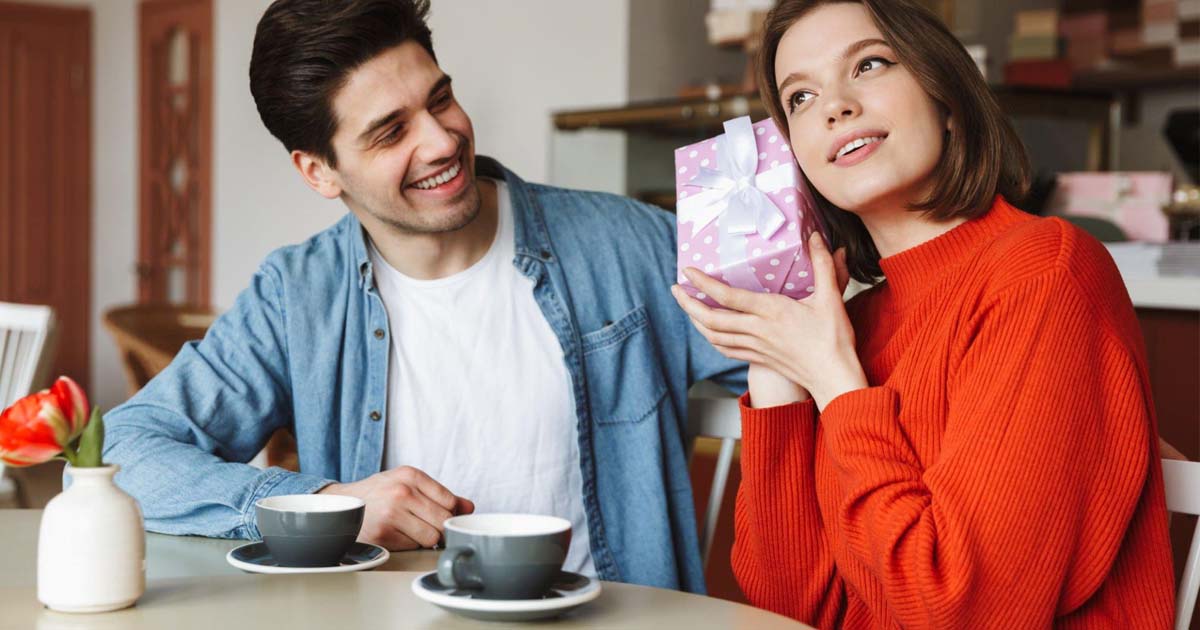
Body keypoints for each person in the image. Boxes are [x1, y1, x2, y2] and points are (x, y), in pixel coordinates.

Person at [102, 0, 744, 592]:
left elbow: (812, 358)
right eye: (390, 133)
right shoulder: (297, 296)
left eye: (441, 99)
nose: (441, 141)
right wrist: (330, 507)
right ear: (319, 171)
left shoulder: (629, 244)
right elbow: (126, 451)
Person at [672, 0, 1176, 626]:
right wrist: (777, 370)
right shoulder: (853, 324)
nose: (834, 105)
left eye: (869, 64)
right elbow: (796, 606)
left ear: (945, 95)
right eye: (799, 98)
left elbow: (961, 608)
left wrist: (835, 383)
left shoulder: (1044, 273)